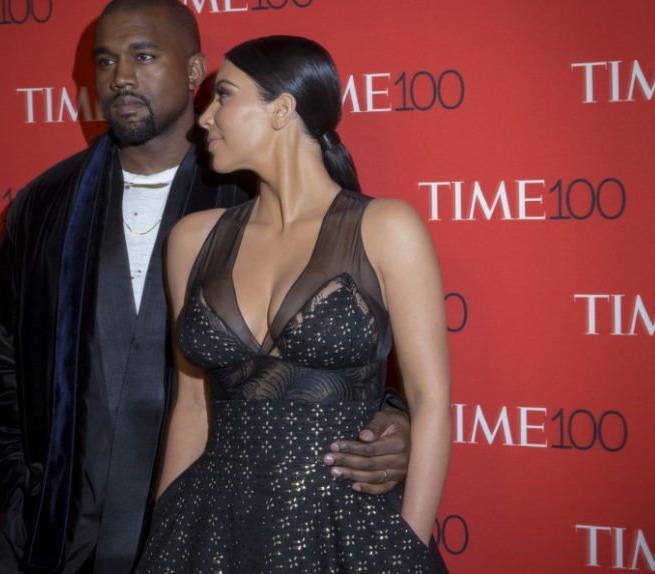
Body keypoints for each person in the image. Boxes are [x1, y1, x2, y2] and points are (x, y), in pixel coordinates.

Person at [0, 2, 415, 572]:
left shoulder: (259, 197)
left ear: (194, 70)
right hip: (60, 535)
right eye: (105, 61)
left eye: (143, 56)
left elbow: (363, 340)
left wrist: (393, 420)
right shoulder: (44, 206)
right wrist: (22, 490)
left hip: (223, 536)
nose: (120, 77)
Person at [136, 35, 452, 572]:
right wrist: (164, 534)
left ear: (282, 109)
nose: (204, 118)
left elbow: (431, 402)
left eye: (224, 95)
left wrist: (405, 550)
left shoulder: (385, 227)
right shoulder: (192, 239)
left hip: (348, 532)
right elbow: (191, 407)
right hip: (211, 530)